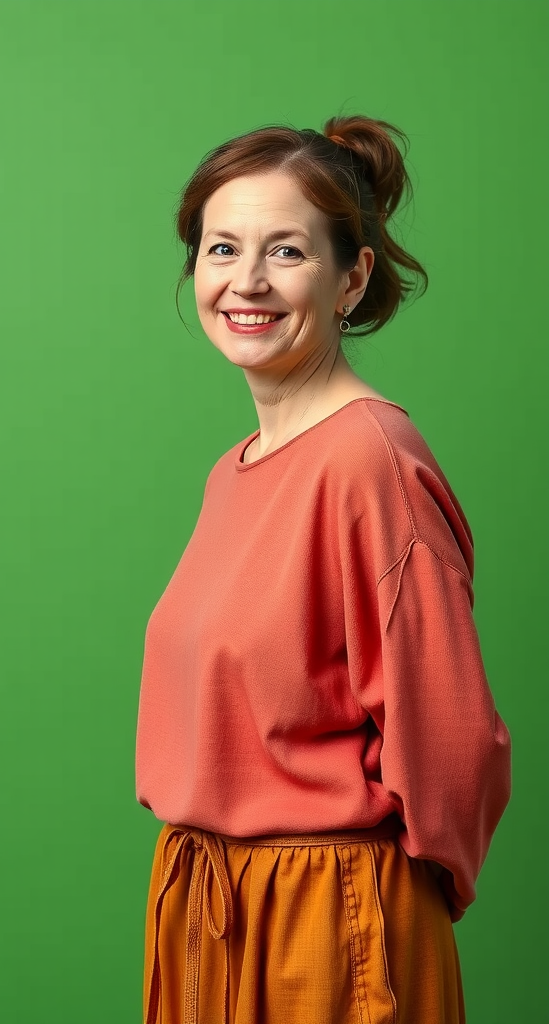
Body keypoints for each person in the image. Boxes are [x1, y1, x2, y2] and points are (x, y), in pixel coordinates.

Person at [135, 114, 511, 1024]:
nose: (246, 282)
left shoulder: (370, 460)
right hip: (206, 906)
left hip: (325, 917)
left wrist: (379, 906)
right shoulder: (236, 470)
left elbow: (453, 746)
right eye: (222, 248)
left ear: (353, 278)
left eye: (288, 251)